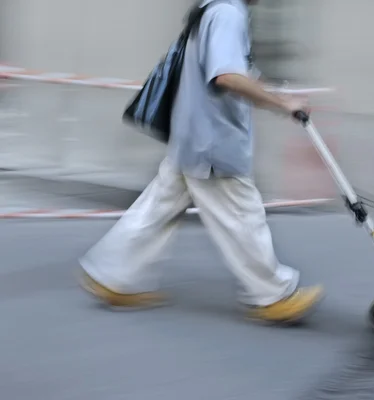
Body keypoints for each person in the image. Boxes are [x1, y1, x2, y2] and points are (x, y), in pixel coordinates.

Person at [78, 0, 323, 324]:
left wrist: (281, 98)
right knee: (242, 216)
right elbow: (227, 76)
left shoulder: (212, 8)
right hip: (213, 142)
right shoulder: (227, 13)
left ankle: (111, 276)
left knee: (156, 210)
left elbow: (241, 71)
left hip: (191, 137)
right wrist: (282, 103)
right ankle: (272, 295)